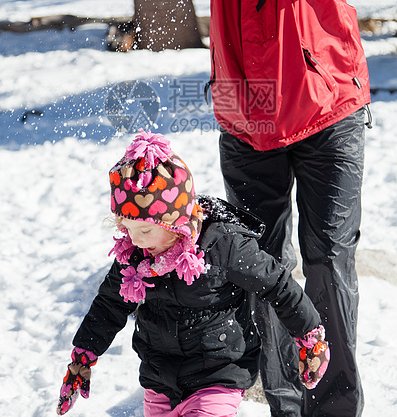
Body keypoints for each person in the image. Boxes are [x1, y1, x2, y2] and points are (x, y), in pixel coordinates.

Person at [136, 0, 371, 416]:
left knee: (325, 263)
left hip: (327, 114)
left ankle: (335, 406)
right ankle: (286, 403)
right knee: (260, 268)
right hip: (248, 117)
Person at [56, 130, 330, 416]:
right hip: (160, 378)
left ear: (174, 221)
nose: (135, 240)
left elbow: (278, 284)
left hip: (218, 375)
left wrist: (309, 335)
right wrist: (82, 357)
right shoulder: (133, 258)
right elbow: (109, 306)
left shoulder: (223, 246)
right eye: (127, 228)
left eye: (145, 230)